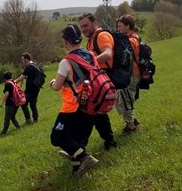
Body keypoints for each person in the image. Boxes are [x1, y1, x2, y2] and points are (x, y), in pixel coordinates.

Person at [49, 24, 98, 177]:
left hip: (72, 107)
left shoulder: (66, 61)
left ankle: (85, 157)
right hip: (90, 102)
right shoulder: (90, 55)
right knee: (77, 139)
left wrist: (52, 83)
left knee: (57, 137)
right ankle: (77, 169)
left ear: (65, 41)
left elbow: (57, 86)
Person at [78, 13, 117, 150]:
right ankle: (108, 140)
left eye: (86, 25)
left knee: (93, 111)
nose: (83, 29)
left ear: (95, 23)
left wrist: (89, 65)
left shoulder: (102, 36)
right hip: (98, 79)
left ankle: (80, 146)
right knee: (95, 112)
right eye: (81, 26)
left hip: (104, 79)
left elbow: (107, 54)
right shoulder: (91, 40)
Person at [116, 14, 141, 134]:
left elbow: (123, 57)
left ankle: (131, 126)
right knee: (125, 98)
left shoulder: (131, 41)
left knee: (126, 99)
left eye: (120, 26)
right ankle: (131, 121)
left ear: (128, 26)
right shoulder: (134, 38)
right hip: (132, 73)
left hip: (131, 74)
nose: (118, 29)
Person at [14, 52, 41, 124]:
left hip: (30, 89)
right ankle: (35, 119)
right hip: (37, 88)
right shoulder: (35, 65)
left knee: (23, 103)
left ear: (26, 59)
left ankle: (28, 119)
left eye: (22, 59)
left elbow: (22, 77)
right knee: (33, 104)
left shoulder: (28, 66)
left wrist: (14, 82)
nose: (22, 61)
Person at [0, 71, 22, 135]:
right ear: (11, 76)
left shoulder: (7, 84)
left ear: (4, 78)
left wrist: (2, 103)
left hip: (10, 104)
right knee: (12, 116)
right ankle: (18, 127)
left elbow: (6, 94)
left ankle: (3, 132)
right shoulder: (13, 82)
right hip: (16, 102)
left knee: (7, 118)